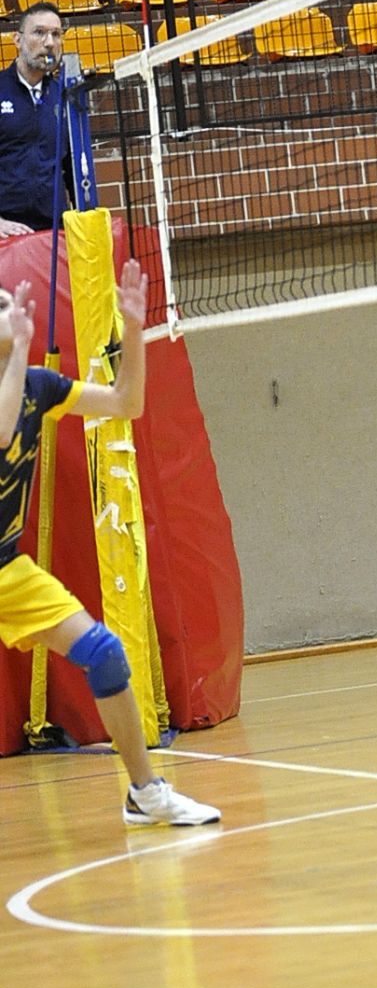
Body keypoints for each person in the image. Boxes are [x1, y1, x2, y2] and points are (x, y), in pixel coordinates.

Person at [0, 262, 219, 826]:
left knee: (104, 655)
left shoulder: (38, 387)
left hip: (7, 571)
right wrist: (19, 350)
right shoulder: (20, 381)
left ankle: (146, 793)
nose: (10, 311)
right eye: (1, 308)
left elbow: (126, 402)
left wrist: (134, 329)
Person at [0, 7, 74, 240]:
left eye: (56, 34)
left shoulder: (65, 96)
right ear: (17, 39)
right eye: (39, 33)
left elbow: (73, 166)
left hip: (53, 229)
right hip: (5, 231)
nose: (49, 43)